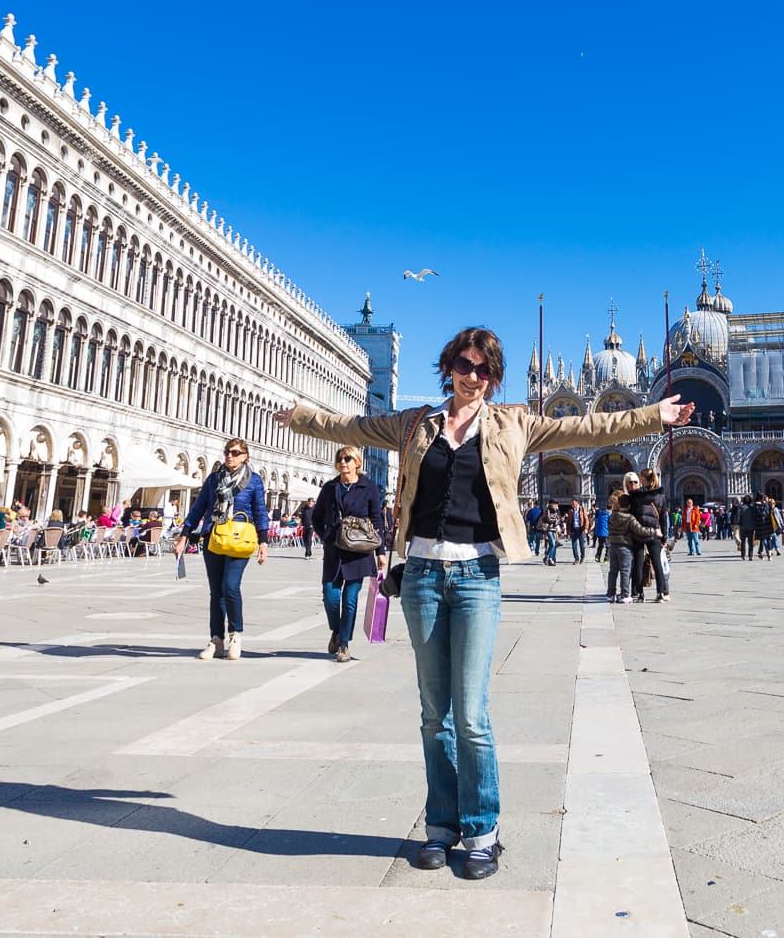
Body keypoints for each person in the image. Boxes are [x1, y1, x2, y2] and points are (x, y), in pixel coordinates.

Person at [276, 325, 691, 881]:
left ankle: (482, 829)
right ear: (448, 367)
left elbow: (585, 426)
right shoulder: (414, 423)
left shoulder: (513, 423)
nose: (473, 377)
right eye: (464, 366)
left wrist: (651, 416)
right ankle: (441, 826)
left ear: (494, 377)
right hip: (420, 573)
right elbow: (353, 426)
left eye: (484, 370)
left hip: (476, 575)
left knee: (470, 713)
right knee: (433, 714)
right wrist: (301, 415)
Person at [174, 439, 269, 660]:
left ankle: (236, 635)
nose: (230, 456)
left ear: (245, 456)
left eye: (235, 453)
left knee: (230, 586)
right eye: (227, 452)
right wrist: (184, 535)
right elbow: (198, 508)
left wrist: (263, 542)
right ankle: (216, 640)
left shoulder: (253, 481)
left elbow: (260, 511)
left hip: (240, 539)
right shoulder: (214, 479)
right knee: (216, 591)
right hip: (213, 537)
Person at [311, 445, 389, 662]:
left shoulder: (369, 487)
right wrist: (325, 535)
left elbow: (377, 521)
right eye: (340, 459)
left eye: (347, 458)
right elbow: (316, 516)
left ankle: (344, 643)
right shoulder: (330, 488)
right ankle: (336, 631)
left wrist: (380, 551)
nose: (343, 462)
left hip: (359, 550)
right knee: (330, 595)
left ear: (357, 463)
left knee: (350, 599)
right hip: (335, 549)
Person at [632, 470, 671, 601]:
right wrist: (664, 537)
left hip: (639, 532)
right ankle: (661, 593)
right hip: (655, 532)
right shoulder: (661, 495)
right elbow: (663, 519)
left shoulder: (636, 495)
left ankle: (639, 593)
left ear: (643, 478)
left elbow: (632, 515)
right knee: (657, 563)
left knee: (638, 563)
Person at [606, 487, 641, 602]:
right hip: (625, 546)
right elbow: (639, 530)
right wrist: (653, 531)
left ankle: (610, 594)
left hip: (613, 546)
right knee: (625, 571)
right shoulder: (629, 517)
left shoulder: (611, 516)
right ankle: (625, 595)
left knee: (613, 571)